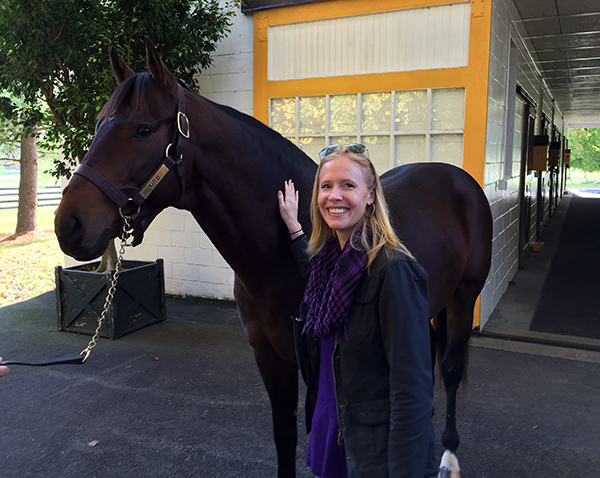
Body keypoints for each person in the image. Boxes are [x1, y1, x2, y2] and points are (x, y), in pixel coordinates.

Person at [277, 144, 436, 478]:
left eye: (348, 185)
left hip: (370, 450)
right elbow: (312, 272)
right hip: (331, 431)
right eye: (326, 186)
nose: (334, 196)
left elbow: (413, 392)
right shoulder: (329, 264)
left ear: (370, 196)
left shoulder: (394, 272)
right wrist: (293, 227)